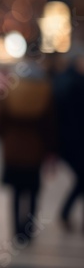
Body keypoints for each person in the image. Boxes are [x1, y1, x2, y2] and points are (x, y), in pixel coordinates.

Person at [0, 56, 57, 244]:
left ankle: (16, 231)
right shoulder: (46, 93)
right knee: (32, 192)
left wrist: (6, 138)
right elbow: (50, 126)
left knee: (16, 192)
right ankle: (28, 230)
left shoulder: (10, 92)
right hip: (35, 151)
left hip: (13, 150)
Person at [53, 54, 84, 232]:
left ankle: (66, 213)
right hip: (75, 142)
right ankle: (65, 213)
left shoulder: (62, 82)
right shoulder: (76, 85)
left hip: (67, 141)